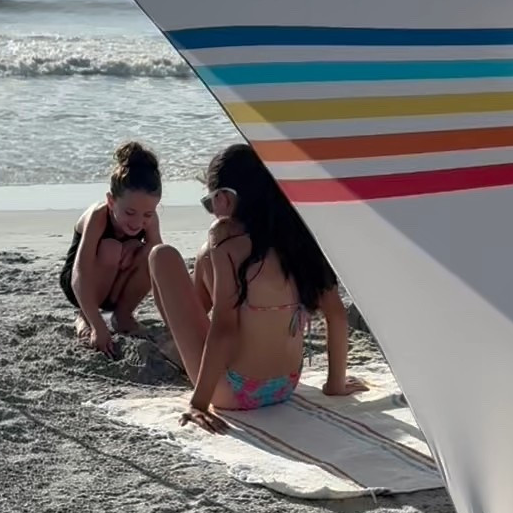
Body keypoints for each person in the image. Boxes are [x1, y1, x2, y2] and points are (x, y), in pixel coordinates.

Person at [149, 143, 366, 432]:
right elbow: (337, 316)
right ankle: (186, 347)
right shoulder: (301, 236)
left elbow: (224, 327)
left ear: (226, 197)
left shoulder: (224, 239)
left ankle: (181, 347)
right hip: (285, 385)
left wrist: (198, 404)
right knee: (204, 255)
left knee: (160, 256)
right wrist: (335, 384)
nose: (211, 212)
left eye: (210, 202)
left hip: (236, 392)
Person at [59, 141, 162, 355]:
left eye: (147, 214)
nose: (137, 222)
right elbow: (80, 272)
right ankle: (86, 316)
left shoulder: (149, 220)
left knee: (154, 253)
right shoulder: (98, 216)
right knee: (111, 248)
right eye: (130, 213)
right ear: (111, 201)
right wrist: (98, 326)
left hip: (117, 285)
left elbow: (161, 266)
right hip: (81, 285)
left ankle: (123, 316)